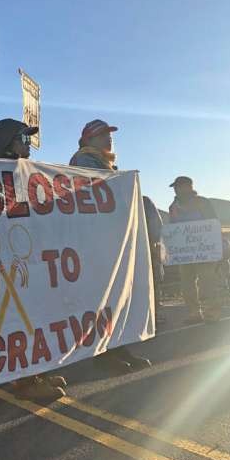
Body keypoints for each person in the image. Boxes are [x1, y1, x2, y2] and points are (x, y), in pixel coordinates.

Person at [0, 118, 67, 401]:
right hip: (6, 264)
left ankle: (36, 372)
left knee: (32, 317)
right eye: (24, 138)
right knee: (16, 321)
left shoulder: (26, 175)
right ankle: (26, 381)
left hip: (26, 261)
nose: (29, 145)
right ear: (8, 145)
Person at [69, 119, 152, 373]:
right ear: (89, 139)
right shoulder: (84, 161)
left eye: (109, 134)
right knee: (102, 299)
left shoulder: (106, 162)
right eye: (102, 134)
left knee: (114, 298)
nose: (108, 138)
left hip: (109, 239)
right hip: (95, 240)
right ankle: (105, 354)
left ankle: (117, 345)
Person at [168, 176, 222, 323]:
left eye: (178, 186)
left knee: (207, 281)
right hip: (185, 253)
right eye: (175, 187)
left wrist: (218, 243)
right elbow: (172, 229)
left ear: (188, 186)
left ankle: (211, 312)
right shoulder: (173, 207)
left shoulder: (203, 202)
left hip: (204, 250)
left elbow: (214, 224)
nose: (176, 190)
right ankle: (194, 313)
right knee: (187, 284)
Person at [143, 196, 165, 325]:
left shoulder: (144, 201)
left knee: (153, 281)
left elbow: (156, 224)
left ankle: (155, 313)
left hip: (148, 248)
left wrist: (155, 242)